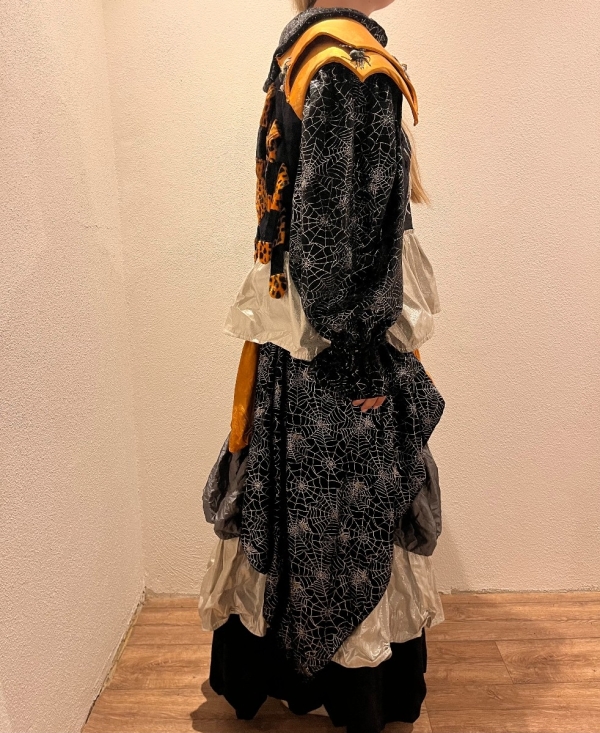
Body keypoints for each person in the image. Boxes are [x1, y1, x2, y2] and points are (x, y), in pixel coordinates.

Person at [198, 1, 446, 731]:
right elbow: (331, 236)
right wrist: (364, 361)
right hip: (336, 355)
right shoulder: (350, 68)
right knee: (345, 525)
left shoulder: (303, 53)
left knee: (298, 513)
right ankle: (354, 694)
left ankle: (282, 672)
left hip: (300, 347)